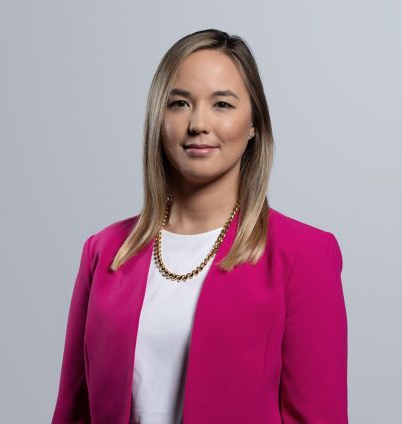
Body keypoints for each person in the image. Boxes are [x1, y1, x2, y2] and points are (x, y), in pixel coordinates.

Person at [51, 29, 348, 424]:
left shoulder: (304, 255)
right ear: (159, 119)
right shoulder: (103, 252)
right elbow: (73, 412)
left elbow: (319, 416)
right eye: (180, 103)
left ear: (254, 124)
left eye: (222, 104)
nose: (198, 123)